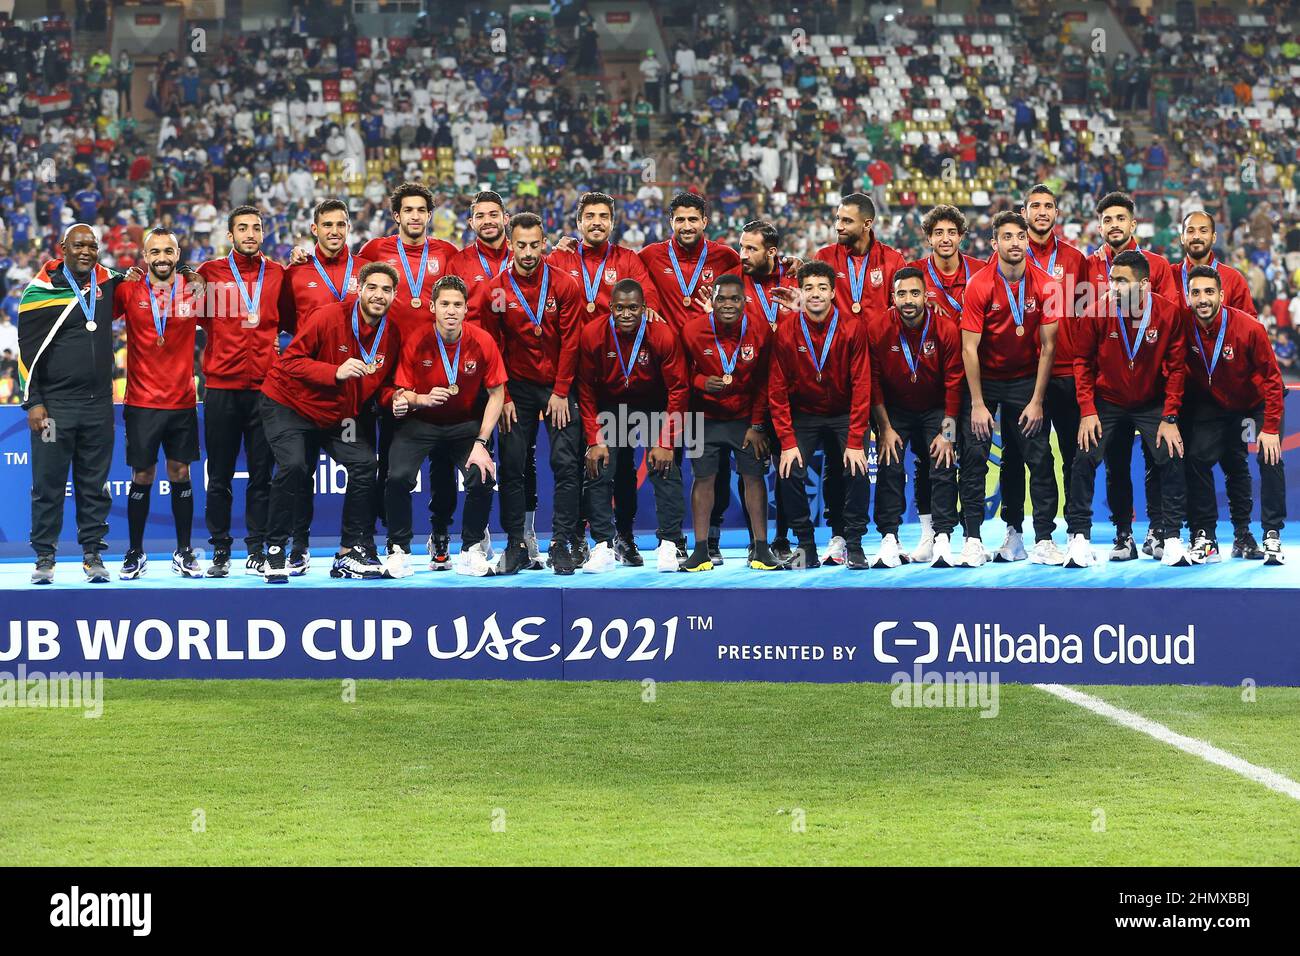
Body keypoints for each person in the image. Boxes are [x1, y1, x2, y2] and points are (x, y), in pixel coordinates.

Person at [259, 262, 403, 583]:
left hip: (337, 414)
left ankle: (348, 552)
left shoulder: (391, 334)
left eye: (386, 290)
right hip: (289, 404)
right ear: (359, 289)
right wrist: (333, 372)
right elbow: (291, 360)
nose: (379, 295)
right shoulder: (327, 316)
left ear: (394, 295)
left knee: (365, 463)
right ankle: (275, 550)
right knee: (294, 466)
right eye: (373, 288)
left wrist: (396, 398)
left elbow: (383, 384)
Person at [1064, 250, 1196, 568]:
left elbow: (1177, 368)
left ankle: (1172, 537)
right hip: (1107, 402)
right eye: (1112, 280)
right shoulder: (1096, 311)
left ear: (1145, 285)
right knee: (1085, 460)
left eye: (1122, 281)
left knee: (1172, 457)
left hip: (1152, 401)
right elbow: (1082, 362)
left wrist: (1170, 416)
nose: (1114, 287)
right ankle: (1087, 537)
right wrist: (1087, 410)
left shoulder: (1167, 313)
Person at [479, 212, 584, 575]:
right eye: (520, 245)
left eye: (534, 244)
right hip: (517, 388)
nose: (527, 252)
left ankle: (561, 543)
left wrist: (560, 391)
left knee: (567, 463)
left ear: (544, 243)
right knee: (512, 465)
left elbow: (572, 340)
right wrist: (503, 395)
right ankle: (515, 545)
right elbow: (493, 344)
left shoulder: (565, 284)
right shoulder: (494, 290)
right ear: (511, 244)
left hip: (559, 384)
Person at [958, 211, 1063, 567]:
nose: (1015, 243)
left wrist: (1036, 400)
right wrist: (976, 403)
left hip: (1025, 380)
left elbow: (1049, 347)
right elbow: (968, 348)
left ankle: (1039, 538)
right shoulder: (979, 285)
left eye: (1021, 236)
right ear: (995, 244)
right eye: (1007, 237)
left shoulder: (1047, 284)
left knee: (1038, 458)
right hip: (984, 380)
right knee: (973, 457)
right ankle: (972, 538)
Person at [383, 275, 505, 578]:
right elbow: (403, 392)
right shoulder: (416, 339)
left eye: (457, 305)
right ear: (432, 307)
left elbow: (497, 394)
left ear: (466, 309)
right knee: (397, 477)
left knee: (481, 474)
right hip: (420, 423)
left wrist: (481, 442)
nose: (451, 310)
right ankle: (399, 549)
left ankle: (471, 548)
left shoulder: (482, 341)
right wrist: (421, 399)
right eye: (445, 304)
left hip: (464, 426)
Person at [20, 225, 123, 583]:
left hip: (98, 407)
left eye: (92, 245)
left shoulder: (108, 283)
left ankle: (92, 553)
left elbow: (153, 280)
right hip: (54, 410)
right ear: (62, 247)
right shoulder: (39, 291)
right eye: (79, 245)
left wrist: (189, 274)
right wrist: (34, 402)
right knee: (47, 482)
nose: (86, 251)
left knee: (94, 484)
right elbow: (26, 353)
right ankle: (44, 557)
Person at [995, 185, 1090, 563]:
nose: (1042, 212)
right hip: (1021, 377)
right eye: (1035, 206)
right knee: (1016, 459)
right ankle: (1015, 532)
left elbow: (1083, 318)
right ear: (1024, 211)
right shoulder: (1008, 254)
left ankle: (1076, 533)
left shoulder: (1075, 259)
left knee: (1072, 455)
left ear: (1057, 213)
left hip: (1065, 371)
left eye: (1049, 206)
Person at [1082, 192, 1180, 560]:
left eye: (1120, 218)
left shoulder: (1157, 265)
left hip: (1152, 388)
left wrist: (1169, 401)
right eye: (1107, 220)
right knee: (1115, 462)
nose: (1114, 225)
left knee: (1159, 460)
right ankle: (1124, 533)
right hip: (1108, 388)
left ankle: (1157, 530)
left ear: (1132, 223)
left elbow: (1169, 323)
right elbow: (1084, 327)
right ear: (1100, 225)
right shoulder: (1087, 267)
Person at [358, 182, 460, 533]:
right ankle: (388, 537)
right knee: (387, 457)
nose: (415, 216)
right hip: (388, 370)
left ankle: (440, 532)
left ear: (429, 215)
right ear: (396, 216)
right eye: (408, 210)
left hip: (437, 369)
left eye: (421, 210)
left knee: (443, 460)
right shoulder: (375, 249)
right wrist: (302, 255)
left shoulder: (447, 252)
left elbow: (471, 288)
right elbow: (343, 273)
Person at [276, 198, 371, 573]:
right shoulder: (295, 273)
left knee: (363, 465)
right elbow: (284, 322)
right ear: (314, 229)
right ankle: (298, 547)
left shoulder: (364, 271)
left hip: (351, 396)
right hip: (305, 392)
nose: (334, 231)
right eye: (327, 224)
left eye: (341, 224)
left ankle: (353, 547)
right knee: (300, 471)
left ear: (349, 228)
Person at [197, 205, 289, 577]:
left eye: (256, 228)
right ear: (230, 235)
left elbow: (293, 321)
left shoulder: (279, 274)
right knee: (218, 475)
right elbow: (195, 319)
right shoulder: (208, 274)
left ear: (263, 233)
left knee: (261, 475)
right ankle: (220, 548)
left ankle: (256, 547)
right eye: (242, 228)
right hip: (221, 387)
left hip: (265, 389)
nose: (250, 234)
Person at [814, 192, 905, 565]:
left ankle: (889, 534)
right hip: (840, 372)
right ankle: (839, 535)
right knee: (839, 460)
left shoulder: (893, 260)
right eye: (837, 219)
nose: (839, 226)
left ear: (867, 224)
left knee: (888, 455)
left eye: (846, 221)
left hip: (883, 372)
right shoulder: (824, 258)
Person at [767, 261, 872, 570]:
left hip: (844, 413)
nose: (815, 294)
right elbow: (777, 390)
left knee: (857, 468)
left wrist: (855, 441)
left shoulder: (852, 328)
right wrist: (787, 442)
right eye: (809, 288)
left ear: (832, 292)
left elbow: (862, 385)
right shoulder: (786, 332)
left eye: (822, 288)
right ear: (800, 291)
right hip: (805, 415)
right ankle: (805, 545)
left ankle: (854, 544)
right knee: (789, 470)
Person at [579, 279, 688, 572]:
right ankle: (604, 544)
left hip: (654, 404)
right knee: (601, 468)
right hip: (611, 406)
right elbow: (586, 389)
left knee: (666, 468)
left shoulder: (663, 335)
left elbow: (678, 389)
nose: (626, 314)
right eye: (620, 308)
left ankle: (669, 543)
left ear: (644, 308)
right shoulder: (592, 334)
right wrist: (594, 438)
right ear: (610, 307)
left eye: (633, 308)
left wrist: (665, 441)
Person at [1182, 266, 1287, 565]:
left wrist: (1268, 427)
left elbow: (1272, 379)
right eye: (1196, 292)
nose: (1203, 299)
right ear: (1188, 297)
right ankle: (1206, 535)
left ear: (1222, 295)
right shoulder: (1183, 325)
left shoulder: (1249, 328)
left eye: (1209, 292)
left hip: (1255, 404)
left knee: (1270, 456)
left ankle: (1272, 535)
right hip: (1216, 405)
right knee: (1198, 459)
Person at [114, 227, 204, 579]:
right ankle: (135, 552)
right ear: (144, 256)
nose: (162, 258)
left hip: (182, 401)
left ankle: (184, 551)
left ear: (178, 254)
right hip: (140, 401)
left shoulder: (196, 291)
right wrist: (121, 275)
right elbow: (94, 304)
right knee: (143, 475)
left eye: (169, 251)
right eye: (155, 252)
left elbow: (232, 311)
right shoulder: (128, 289)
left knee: (181, 473)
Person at [677, 275, 777, 571]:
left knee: (754, 478)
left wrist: (757, 424)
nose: (728, 305)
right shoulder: (693, 330)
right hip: (702, 418)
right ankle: (700, 550)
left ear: (744, 302)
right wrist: (700, 381)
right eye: (721, 299)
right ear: (713, 301)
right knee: (703, 479)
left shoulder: (760, 330)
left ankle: (761, 548)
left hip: (745, 418)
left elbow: (764, 381)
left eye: (735, 299)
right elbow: (679, 375)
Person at [904, 204, 985, 562]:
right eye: (938, 232)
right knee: (930, 459)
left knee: (972, 457)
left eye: (952, 232)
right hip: (933, 386)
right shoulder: (916, 277)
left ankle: (972, 536)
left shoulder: (981, 273)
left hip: (974, 381)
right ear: (928, 238)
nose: (945, 238)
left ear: (961, 236)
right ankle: (931, 533)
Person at [869, 268, 963, 568]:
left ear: (925, 295)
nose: (908, 300)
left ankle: (943, 538)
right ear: (892, 297)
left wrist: (947, 434)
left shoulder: (945, 328)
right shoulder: (878, 327)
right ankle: (889, 538)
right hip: (894, 409)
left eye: (914, 293)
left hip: (936, 407)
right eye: (901, 294)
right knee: (889, 466)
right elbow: (872, 382)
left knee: (943, 464)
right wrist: (884, 429)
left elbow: (954, 381)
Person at [727, 219, 799, 560]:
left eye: (751, 248)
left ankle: (783, 536)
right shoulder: (733, 286)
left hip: (790, 393)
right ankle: (756, 539)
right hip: (748, 392)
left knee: (786, 466)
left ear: (772, 252)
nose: (743, 254)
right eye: (742, 246)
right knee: (750, 468)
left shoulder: (794, 280)